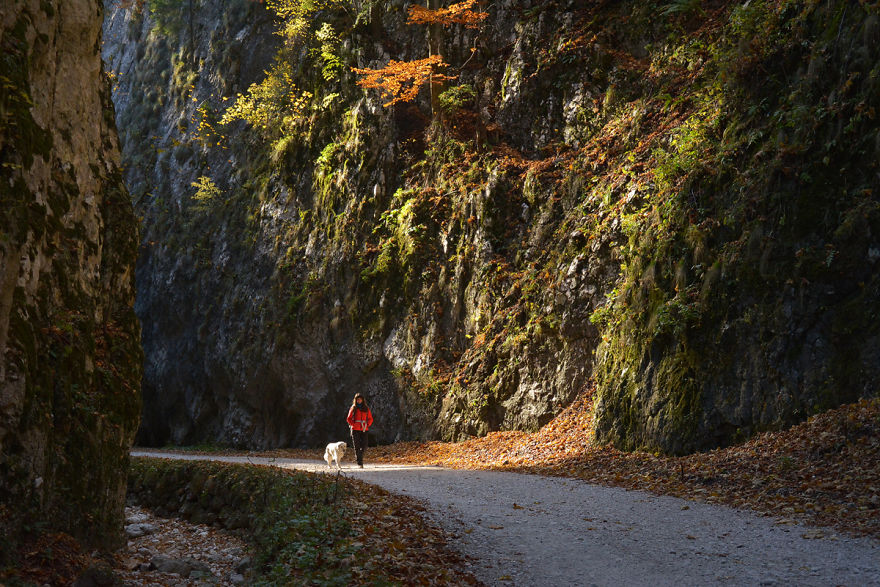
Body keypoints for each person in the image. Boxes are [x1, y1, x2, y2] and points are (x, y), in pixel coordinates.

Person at [346, 393, 373, 468]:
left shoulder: (366, 408)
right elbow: (348, 418)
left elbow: (370, 418)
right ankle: (359, 463)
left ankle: (359, 457)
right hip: (355, 429)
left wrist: (367, 424)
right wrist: (353, 424)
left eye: (360, 399)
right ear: (355, 400)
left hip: (364, 428)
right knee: (357, 446)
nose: (359, 400)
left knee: (364, 445)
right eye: (357, 399)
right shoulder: (353, 408)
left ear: (363, 400)